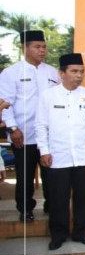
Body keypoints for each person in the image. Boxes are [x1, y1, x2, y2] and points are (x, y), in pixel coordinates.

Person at [35, 53, 85, 250]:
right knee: (58, 198)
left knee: (83, 196)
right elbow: (41, 126)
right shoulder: (48, 96)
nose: (79, 75)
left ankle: (82, 232)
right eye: (74, 71)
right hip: (58, 156)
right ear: (61, 73)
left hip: (84, 155)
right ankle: (58, 234)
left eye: (81, 71)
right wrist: (44, 151)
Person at [0, 29, 59, 221]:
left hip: (49, 135)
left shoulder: (52, 72)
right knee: (24, 175)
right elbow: (5, 102)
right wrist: (13, 128)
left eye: (44, 47)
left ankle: (51, 206)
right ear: (24, 48)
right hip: (23, 134)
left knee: (51, 174)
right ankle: (25, 209)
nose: (42, 51)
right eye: (37, 47)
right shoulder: (11, 73)